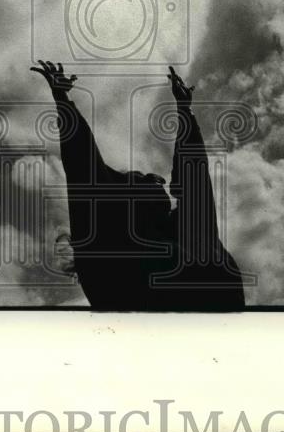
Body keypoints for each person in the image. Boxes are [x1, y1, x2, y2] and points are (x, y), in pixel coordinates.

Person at [30, 60, 245, 310]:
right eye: (144, 179)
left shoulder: (188, 234)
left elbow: (194, 178)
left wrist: (185, 111)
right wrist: (63, 102)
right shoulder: (110, 249)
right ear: (124, 199)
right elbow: (85, 168)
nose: (159, 180)